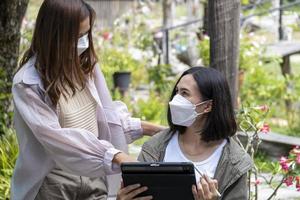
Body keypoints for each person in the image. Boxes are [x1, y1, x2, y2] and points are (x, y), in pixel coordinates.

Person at [11, 0, 164, 199]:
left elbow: (106, 119)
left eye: (86, 34)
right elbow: (58, 139)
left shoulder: (85, 67)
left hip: (94, 173)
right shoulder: (28, 83)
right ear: (53, 35)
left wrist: (157, 131)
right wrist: (116, 156)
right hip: (55, 181)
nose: (83, 43)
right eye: (76, 37)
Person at [117, 67, 253, 200]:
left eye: (185, 93)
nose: (175, 100)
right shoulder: (155, 148)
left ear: (207, 106)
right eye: (177, 91)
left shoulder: (235, 163)